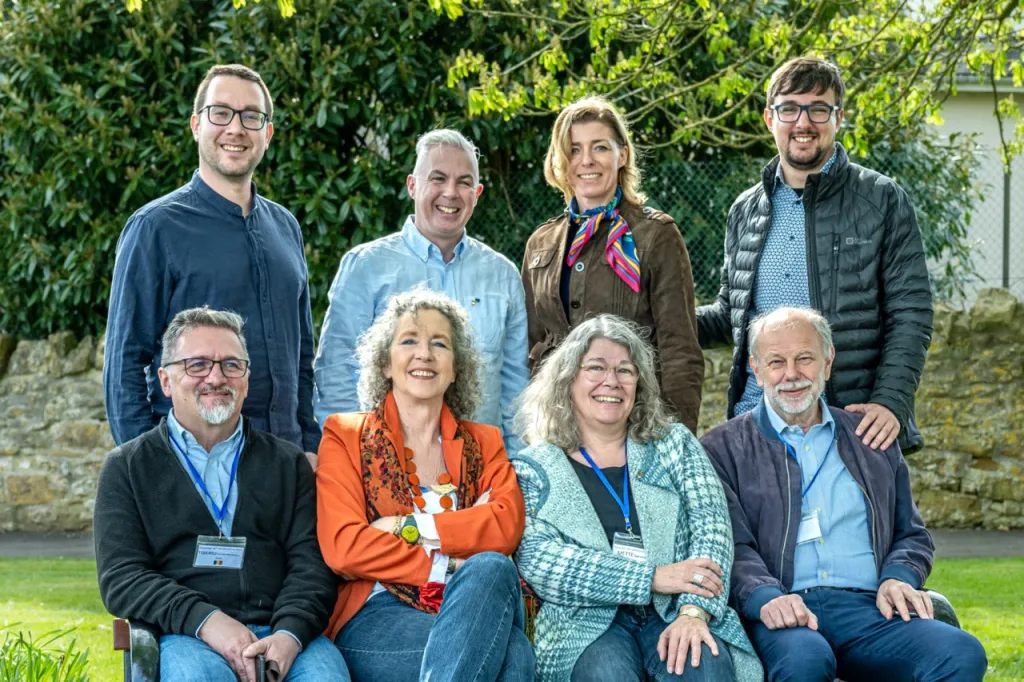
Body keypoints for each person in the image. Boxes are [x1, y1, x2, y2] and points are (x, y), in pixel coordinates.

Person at [700, 307, 986, 682]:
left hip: (869, 608)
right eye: (776, 362)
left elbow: (910, 533)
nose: (791, 374)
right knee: (805, 662)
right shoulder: (723, 448)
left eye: (805, 359)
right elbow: (730, 546)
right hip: (785, 609)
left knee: (961, 653)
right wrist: (765, 596)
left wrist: (898, 577)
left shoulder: (870, 438)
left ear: (828, 362)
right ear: (756, 368)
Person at [94, 307, 348, 682]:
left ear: (246, 378)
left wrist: (290, 634)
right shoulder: (127, 468)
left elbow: (312, 565)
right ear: (165, 380)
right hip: (187, 635)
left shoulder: (288, 464)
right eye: (197, 364)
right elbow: (122, 577)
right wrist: (208, 621)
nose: (215, 377)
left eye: (231, 365)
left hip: (282, 634)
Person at [696, 57, 933, 454]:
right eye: (789, 108)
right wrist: (654, 316)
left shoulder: (881, 200)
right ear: (770, 119)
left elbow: (911, 312)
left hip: (850, 428)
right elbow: (730, 317)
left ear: (838, 118)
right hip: (758, 426)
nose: (803, 122)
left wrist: (890, 403)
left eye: (818, 109)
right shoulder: (745, 209)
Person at [511, 314, 763, 682]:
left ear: (639, 383)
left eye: (625, 370)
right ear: (568, 379)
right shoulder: (534, 467)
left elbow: (712, 530)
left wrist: (695, 612)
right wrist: (652, 578)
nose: (611, 381)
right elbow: (543, 563)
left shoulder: (673, 444)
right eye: (595, 367)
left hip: (677, 608)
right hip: (585, 623)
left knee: (704, 666)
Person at [103, 64, 320, 460]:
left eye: (251, 117)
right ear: (196, 125)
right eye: (220, 113)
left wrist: (310, 445)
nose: (236, 128)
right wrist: (151, 467)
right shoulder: (155, 228)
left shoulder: (286, 227)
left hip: (288, 466)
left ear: (267, 134)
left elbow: (302, 356)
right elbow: (124, 363)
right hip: (195, 465)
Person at [315, 288, 533, 682]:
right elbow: (344, 547)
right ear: (385, 363)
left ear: (455, 368)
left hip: (470, 605)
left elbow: (504, 528)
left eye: (440, 344)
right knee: (513, 652)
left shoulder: (484, 442)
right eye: (409, 340)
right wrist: (447, 563)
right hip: (375, 615)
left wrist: (406, 528)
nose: (425, 354)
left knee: (490, 567)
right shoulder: (345, 435)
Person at [313, 129, 528, 455]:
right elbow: (336, 377)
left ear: (478, 192)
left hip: (481, 472)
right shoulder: (367, 267)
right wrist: (352, 462)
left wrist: (518, 473)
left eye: (464, 182)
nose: (451, 192)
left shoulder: (503, 276)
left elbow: (515, 390)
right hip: (387, 470)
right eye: (438, 179)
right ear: (413, 185)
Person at [522, 96, 705, 435]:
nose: (586, 160)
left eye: (600, 148)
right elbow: (532, 346)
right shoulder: (541, 243)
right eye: (574, 150)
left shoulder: (655, 235)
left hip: (635, 425)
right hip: (560, 430)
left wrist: (676, 441)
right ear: (560, 161)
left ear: (622, 154)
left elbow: (679, 348)